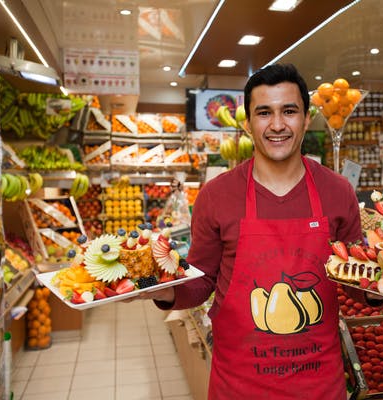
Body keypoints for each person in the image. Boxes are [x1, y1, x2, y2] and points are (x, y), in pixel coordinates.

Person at [143, 63, 362, 399]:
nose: (277, 125)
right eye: (264, 112)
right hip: (239, 386)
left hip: (319, 386)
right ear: (247, 124)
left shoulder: (338, 191)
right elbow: (202, 282)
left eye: (289, 111)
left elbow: (357, 278)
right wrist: (161, 290)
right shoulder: (216, 196)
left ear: (306, 119)